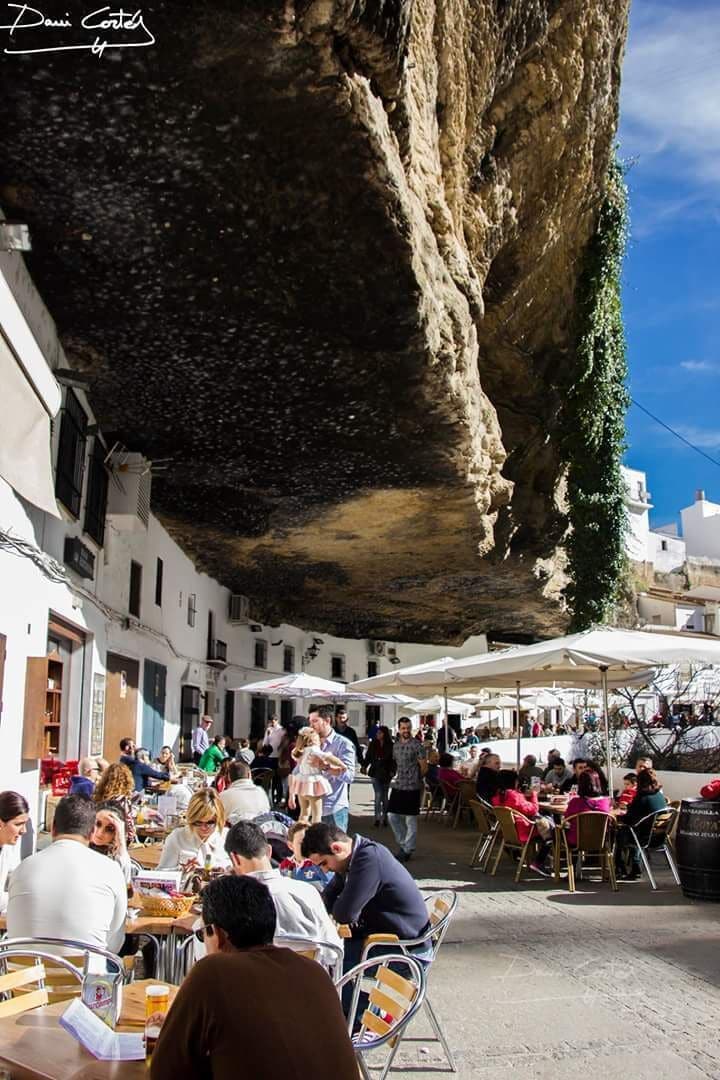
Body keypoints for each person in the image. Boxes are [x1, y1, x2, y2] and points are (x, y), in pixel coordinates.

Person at [149, 875, 358, 1080]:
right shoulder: (314, 971)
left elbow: (165, 1071)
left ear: (218, 934)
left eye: (203, 933)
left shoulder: (212, 972)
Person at [301, 823, 430, 972]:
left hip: (407, 952)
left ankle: (347, 996)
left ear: (337, 848)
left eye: (323, 863)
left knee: (331, 963)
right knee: (326, 954)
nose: (324, 870)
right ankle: (343, 995)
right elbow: (329, 896)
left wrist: (336, 907)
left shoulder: (368, 858)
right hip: (389, 940)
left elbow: (344, 914)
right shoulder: (354, 857)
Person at [7, 794, 127, 953]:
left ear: (53, 828)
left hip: (24, 974)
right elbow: (114, 943)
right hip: (85, 975)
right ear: (91, 833)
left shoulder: (23, 868)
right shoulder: (111, 870)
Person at [223, 821, 342, 962]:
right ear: (269, 851)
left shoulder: (232, 901)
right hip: (306, 979)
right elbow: (333, 953)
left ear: (235, 859)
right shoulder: (307, 891)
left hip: (254, 980)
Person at [492, 770, 552, 876]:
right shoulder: (514, 796)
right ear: (513, 782)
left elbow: (520, 807)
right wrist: (534, 794)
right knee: (553, 828)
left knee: (547, 821)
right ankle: (539, 862)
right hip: (525, 831)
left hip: (509, 832)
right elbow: (533, 809)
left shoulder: (497, 797)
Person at [307, 705, 356, 831]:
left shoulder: (343, 744)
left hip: (334, 809)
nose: (311, 725)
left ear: (327, 720)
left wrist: (326, 767)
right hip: (314, 808)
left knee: (336, 849)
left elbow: (350, 776)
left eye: (315, 721)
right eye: (310, 721)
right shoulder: (310, 744)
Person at [157, 789, 231, 871]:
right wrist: (181, 870)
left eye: (210, 822)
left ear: (219, 819)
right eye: (198, 822)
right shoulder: (177, 837)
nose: (204, 827)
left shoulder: (226, 838)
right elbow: (161, 874)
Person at [615, 768, 668, 880]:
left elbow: (629, 819)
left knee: (619, 832)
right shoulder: (659, 795)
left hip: (644, 837)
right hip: (659, 836)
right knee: (634, 828)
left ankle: (620, 868)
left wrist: (619, 816)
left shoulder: (642, 796)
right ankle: (634, 868)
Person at [387, 717, 427, 863]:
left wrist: (417, 778)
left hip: (412, 786)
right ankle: (404, 844)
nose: (406, 731)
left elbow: (424, 767)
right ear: (399, 729)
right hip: (399, 784)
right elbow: (396, 764)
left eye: (408, 728)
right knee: (392, 815)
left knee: (410, 819)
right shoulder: (395, 746)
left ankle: (408, 849)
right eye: (403, 728)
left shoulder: (417, 745)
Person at [288, 727, 346, 824]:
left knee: (304, 813)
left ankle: (300, 833)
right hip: (313, 783)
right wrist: (341, 764)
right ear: (313, 739)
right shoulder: (314, 750)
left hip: (301, 783)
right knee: (316, 814)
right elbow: (329, 758)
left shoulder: (299, 752)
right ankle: (315, 834)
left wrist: (291, 795)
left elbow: (294, 771)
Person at [278, 821, 334, 892]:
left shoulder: (324, 865)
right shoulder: (284, 868)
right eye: (301, 843)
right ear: (291, 845)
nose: (308, 847)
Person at [564, 770, 612, 848]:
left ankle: (566, 859)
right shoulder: (605, 802)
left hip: (576, 840)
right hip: (600, 841)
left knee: (556, 832)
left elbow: (567, 818)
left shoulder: (575, 802)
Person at [0, 791, 30, 914]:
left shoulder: (8, 846)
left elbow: (15, 876)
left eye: (25, 824)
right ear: (1, 824)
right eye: (18, 824)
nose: (24, 831)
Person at [94, 762, 137, 844]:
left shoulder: (97, 796)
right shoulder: (122, 800)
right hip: (114, 843)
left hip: (95, 840)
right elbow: (129, 828)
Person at [91, 804, 132, 884]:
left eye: (109, 829)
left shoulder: (116, 857)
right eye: (97, 824)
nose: (100, 833)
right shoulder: (77, 847)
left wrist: (121, 842)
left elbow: (124, 885)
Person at [365, 725, 394, 827]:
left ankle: (385, 818)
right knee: (378, 795)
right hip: (375, 772)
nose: (378, 735)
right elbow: (368, 756)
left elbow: (394, 761)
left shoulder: (391, 745)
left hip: (386, 773)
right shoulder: (373, 744)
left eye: (380, 733)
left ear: (384, 734)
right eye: (377, 733)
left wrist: (393, 771)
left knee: (385, 797)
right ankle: (377, 818)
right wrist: (364, 765)